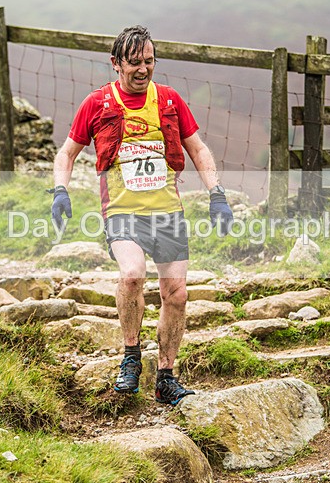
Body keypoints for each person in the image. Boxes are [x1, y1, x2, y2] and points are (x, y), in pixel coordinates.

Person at [51, 25, 233, 405]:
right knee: (133, 275)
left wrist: (217, 193)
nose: (143, 69)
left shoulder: (169, 100)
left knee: (177, 295)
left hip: (168, 212)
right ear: (116, 63)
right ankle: (131, 356)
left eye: (149, 61)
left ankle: (166, 377)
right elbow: (66, 152)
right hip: (122, 211)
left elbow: (198, 149)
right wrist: (60, 191)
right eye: (134, 62)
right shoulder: (97, 103)